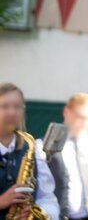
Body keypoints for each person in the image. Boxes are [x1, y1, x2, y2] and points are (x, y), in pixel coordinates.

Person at [0, 83, 60, 219]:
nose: (12, 112)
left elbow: (48, 199)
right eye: (4, 106)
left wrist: (33, 213)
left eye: (17, 107)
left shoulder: (34, 150)